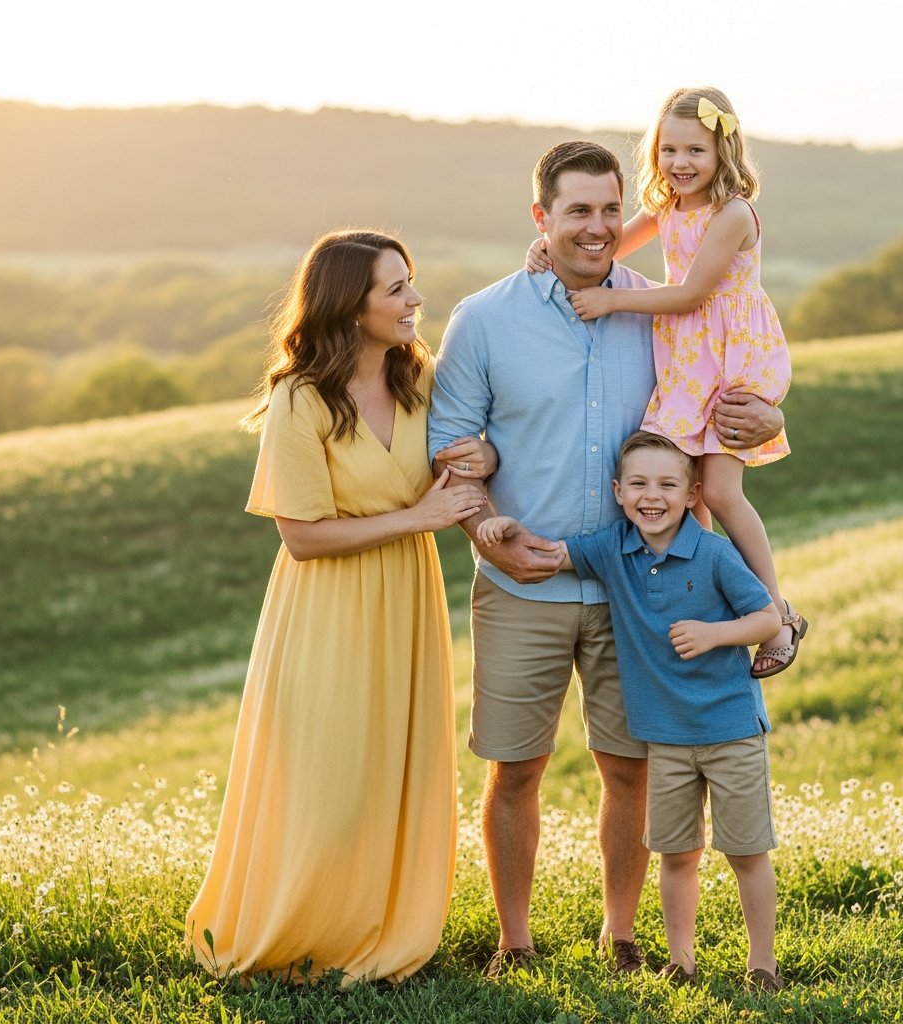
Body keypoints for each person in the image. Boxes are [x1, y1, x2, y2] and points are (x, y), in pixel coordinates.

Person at [428, 141, 786, 976]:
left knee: (631, 769)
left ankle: (621, 936)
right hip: (524, 587)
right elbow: (450, 445)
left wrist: (768, 415)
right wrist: (486, 528)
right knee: (515, 768)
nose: (596, 228)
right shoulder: (484, 318)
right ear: (540, 218)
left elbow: (735, 359)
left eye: (608, 209)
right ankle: (515, 943)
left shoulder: (665, 308)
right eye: (576, 211)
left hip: (643, 591)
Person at [185, 229, 495, 984]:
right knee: (327, 773)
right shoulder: (301, 396)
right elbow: (302, 537)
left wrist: (483, 457)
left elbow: (467, 458)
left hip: (406, 599)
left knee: (392, 766)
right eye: (395, 289)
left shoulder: (421, 379)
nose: (414, 300)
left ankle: (383, 928)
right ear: (350, 308)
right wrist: (420, 517)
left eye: (410, 282)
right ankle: (301, 926)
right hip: (324, 606)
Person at [477, 430, 784, 991]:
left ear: (693, 493)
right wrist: (508, 530)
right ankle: (680, 960)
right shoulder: (614, 549)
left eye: (668, 484)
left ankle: (762, 965)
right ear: (618, 492)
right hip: (664, 737)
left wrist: (715, 634)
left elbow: (768, 619)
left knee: (746, 851)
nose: (652, 496)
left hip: (731, 728)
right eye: (638, 484)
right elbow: (554, 553)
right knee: (676, 853)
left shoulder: (714, 554)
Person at [527, 88, 806, 678]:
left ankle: (779, 614)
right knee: (687, 492)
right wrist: (549, 246)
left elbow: (691, 294)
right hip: (686, 358)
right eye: (669, 149)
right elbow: (607, 247)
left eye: (695, 150)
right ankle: (702, 593)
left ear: (722, 148)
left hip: (727, 357)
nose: (680, 162)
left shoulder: (732, 214)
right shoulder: (667, 206)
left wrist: (610, 302)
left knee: (723, 491)